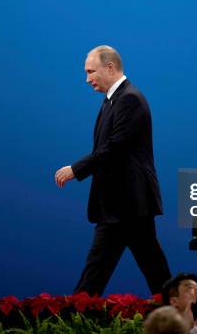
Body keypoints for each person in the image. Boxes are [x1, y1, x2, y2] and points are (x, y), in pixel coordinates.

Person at [55, 45, 171, 296]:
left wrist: (76, 169)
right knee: (151, 270)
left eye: (90, 71)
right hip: (121, 204)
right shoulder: (111, 100)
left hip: (128, 203)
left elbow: (114, 147)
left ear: (109, 67)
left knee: (102, 272)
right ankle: (181, 316)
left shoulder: (129, 99)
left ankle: (181, 316)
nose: (87, 79)